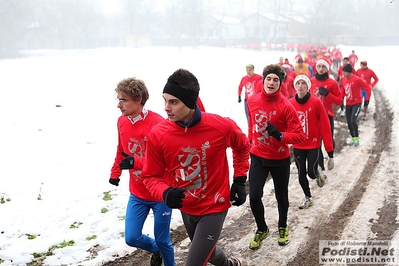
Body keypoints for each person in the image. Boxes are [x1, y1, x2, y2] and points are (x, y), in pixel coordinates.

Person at [142, 68, 249, 266]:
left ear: (190, 102)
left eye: (173, 102)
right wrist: (165, 192)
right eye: (164, 100)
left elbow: (242, 147)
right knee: (208, 251)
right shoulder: (158, 134)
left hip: (214, 205)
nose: (166, 107)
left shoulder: (220, 126)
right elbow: (150, 176)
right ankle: (230, 264)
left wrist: (240, 179)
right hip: (186, 207)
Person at [109, 77, 175, 266]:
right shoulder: (122, 122)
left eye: (123, 100)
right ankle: (156, 250)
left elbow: (166, 162)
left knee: (164, 239)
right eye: (118, 100)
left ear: (138, 100)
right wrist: (115, 173)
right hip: (137, 192)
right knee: (131, 237)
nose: (119, 106)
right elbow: (121, 150)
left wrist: (135, 162)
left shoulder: (159, 124)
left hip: (161, 192)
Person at [246, 64, 305, 248]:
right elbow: (252, 124)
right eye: (269, 79)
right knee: (254, 196)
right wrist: (250, 141)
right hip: (258, 156)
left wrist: (280, 135)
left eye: (276, 80)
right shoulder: (252, 101)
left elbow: (300, 135)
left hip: (279, 159)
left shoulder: (286, 105)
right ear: (263, 80)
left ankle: (282, 226)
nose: (271, 83)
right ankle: (262, 228)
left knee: (282, 196)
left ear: (280, 83)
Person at [289, 75, 334, 209]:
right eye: (298, 83)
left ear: (308, 87)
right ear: (295, 86)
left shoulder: (316, 102)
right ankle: (308, 197)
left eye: (303, 83)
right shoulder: (290, 103)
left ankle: (318, 173)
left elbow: (325, 126)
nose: (300, 86)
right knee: (301, 174)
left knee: (312, 173)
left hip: (313, 144)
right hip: (298, 145)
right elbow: (285, 122)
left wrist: (329, 150)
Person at [310, 58, 342, 178]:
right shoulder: (311, 81)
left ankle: (330, 156)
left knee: (328, 138)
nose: (321, 69)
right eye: (319, 66)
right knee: (316, 143)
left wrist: (327, 94)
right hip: (313, 116)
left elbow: (339, 101)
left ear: (327, 69)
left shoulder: (332, 83)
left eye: (323, 67)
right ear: (316, 68)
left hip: (327, 115)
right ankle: (321, 169)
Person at [341, 64, 371, 146]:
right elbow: (343, 91)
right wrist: (340, 99)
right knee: (349, 122)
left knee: (353, 120)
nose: (343, 73)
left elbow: (367, 87)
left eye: (344, 72)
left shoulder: (357, 79)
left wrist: (367, 99)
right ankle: (353, 138)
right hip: (348, 103)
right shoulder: (344, 80)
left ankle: (357, 138)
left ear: (349, 72)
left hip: (357, 103)